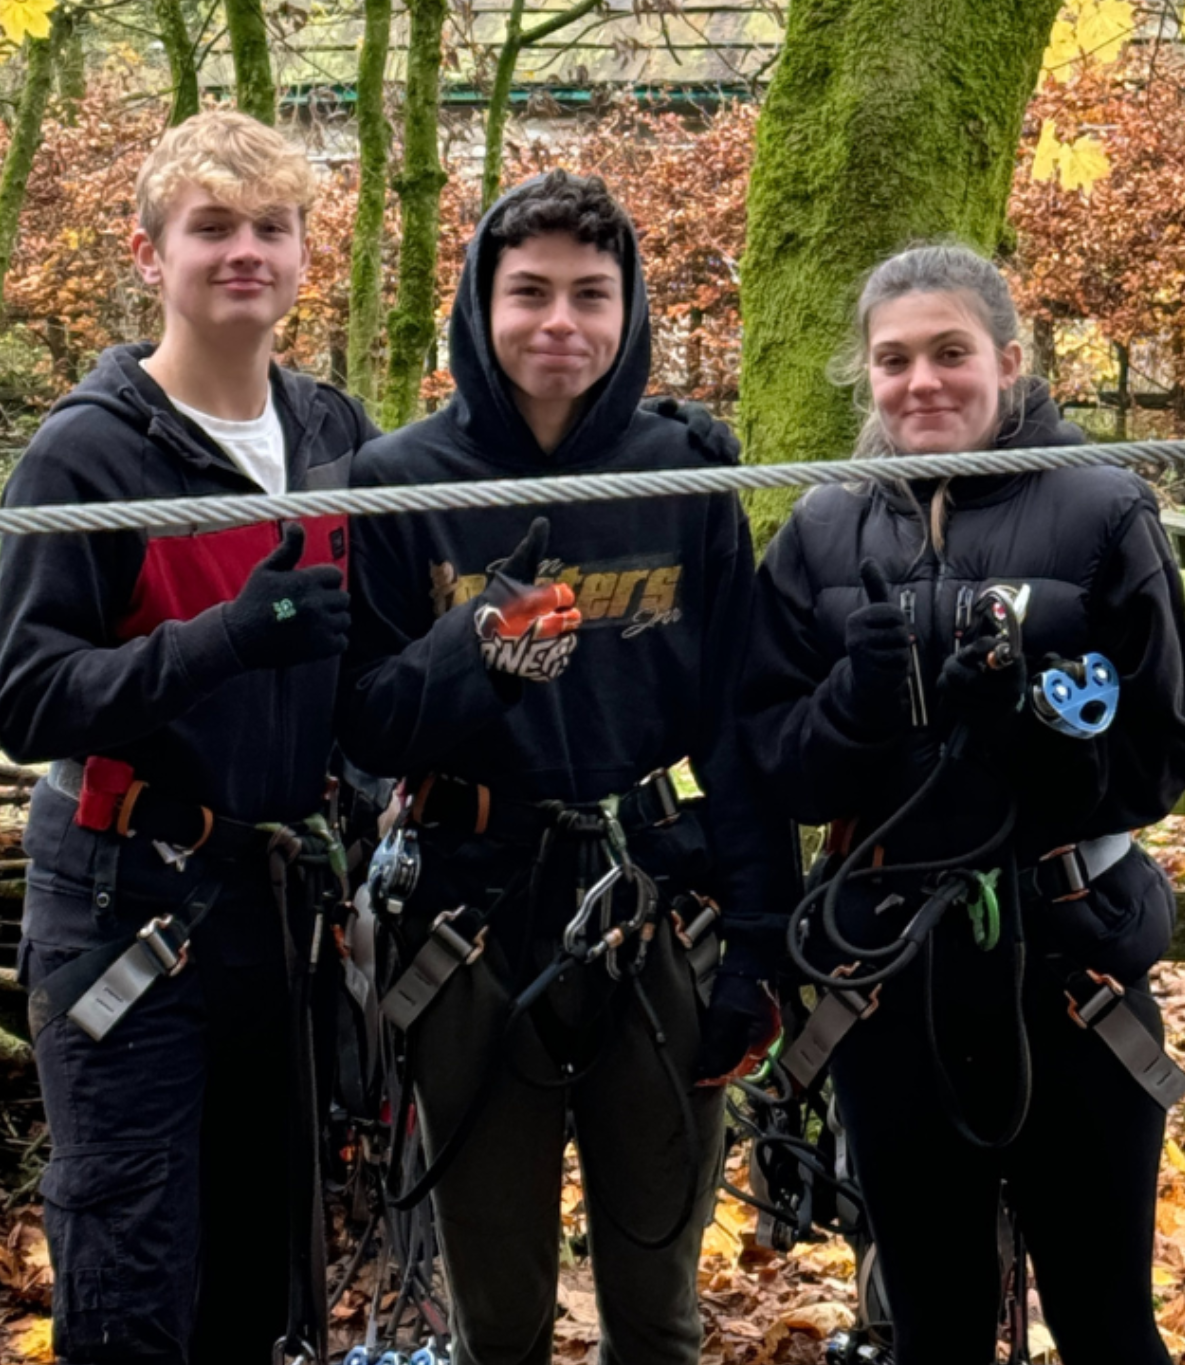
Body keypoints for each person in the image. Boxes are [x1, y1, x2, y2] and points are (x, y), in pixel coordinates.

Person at [339, 169, 791, 1365]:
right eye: (528, 292)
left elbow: (737, 728)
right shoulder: (396, 481)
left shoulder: (685, 475)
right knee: (497, 1316)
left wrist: (756, 945)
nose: (559, 322)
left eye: (591, 294)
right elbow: (362, 724)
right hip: (469, 913)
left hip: (650, 906)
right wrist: (471, 651)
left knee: (658, 1306)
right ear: (478, 305)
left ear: (628, 310)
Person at [739, 242, 1185, 1363]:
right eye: (894, 360)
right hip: (888, 981)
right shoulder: (822, 531)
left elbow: (1160, 751)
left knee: (1106, 1325)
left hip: (1067, 968)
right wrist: (854, 705)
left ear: (1007, 358)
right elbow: (774, 760)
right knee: (932, 1327)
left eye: (950, 353)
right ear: (867, 373)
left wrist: (1028, 731)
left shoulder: (1103, 510)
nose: (922, 383)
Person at [0, 110, 378, 1365]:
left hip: (274, 907)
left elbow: (382, 652)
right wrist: (223, 640)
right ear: (150, 255)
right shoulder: (86, 455)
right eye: (212, 227)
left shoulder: (335, 437)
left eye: (272, 226)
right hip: (124, 900)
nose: (245, 251)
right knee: (133, 1274)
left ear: (305, 254)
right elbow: (28, 701)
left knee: (259, 1277)